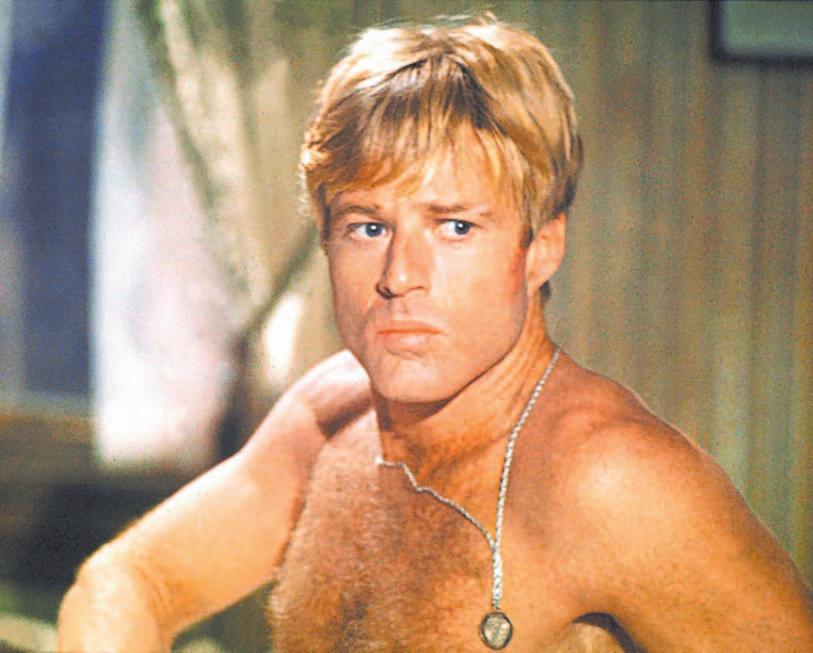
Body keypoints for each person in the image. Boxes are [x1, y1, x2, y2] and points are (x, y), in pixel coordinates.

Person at [57, 14, 813, 652]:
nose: (399, 275)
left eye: (454, 227)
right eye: (368, 226)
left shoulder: (612, 479)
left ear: (541, 247)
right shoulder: (334, 416)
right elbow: (129, 582)